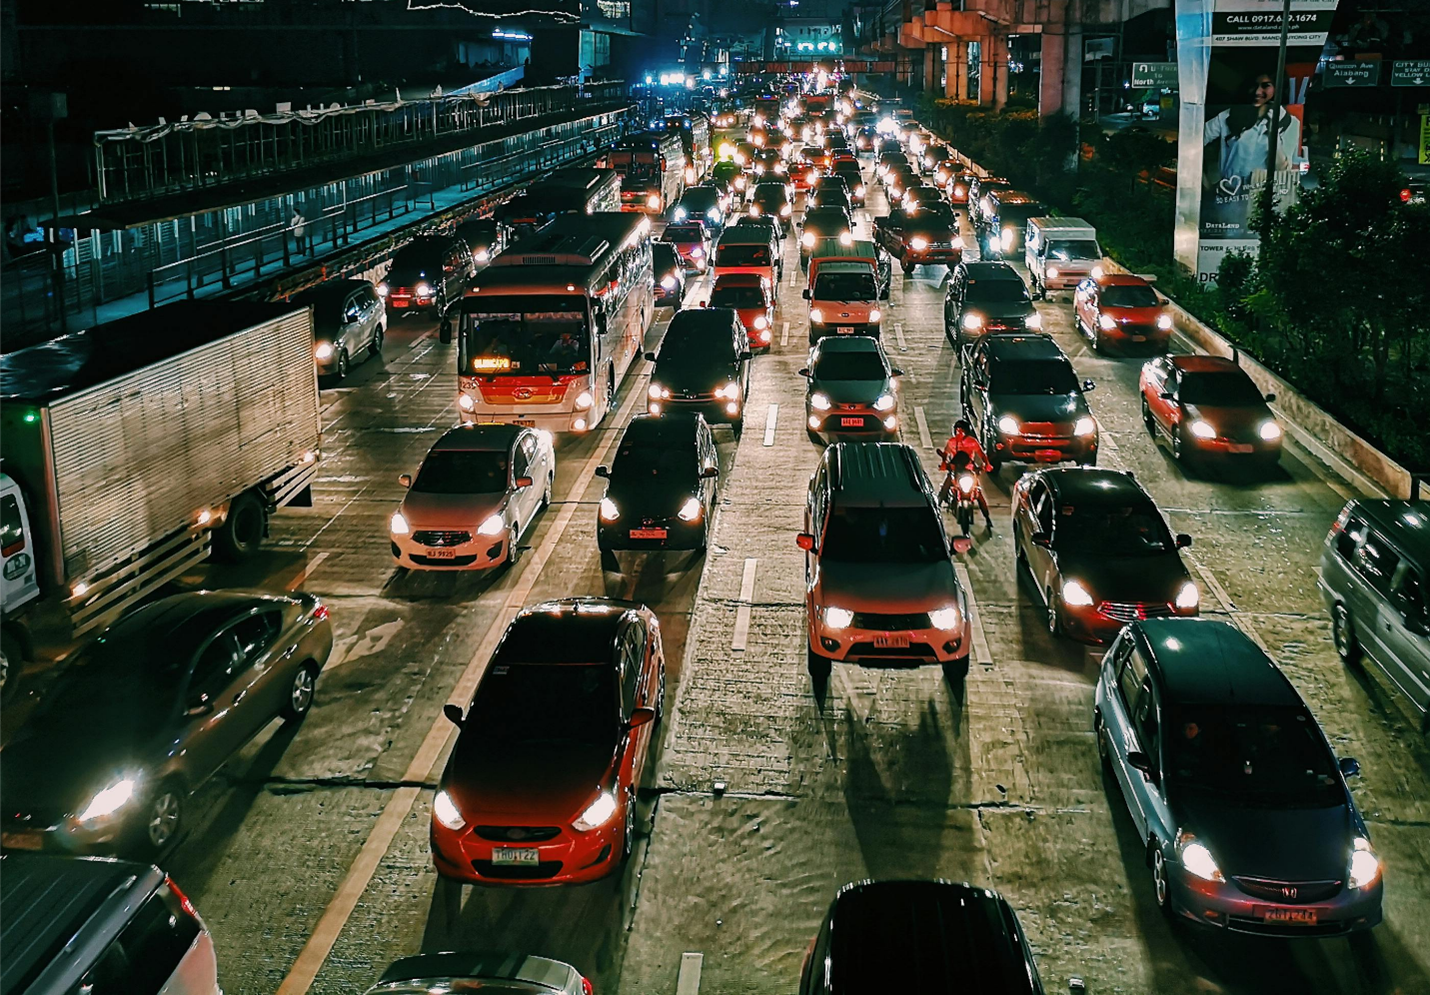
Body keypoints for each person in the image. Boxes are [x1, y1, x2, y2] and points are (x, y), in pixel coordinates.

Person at [1202, 71, 1302, 216]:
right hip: (1228, 197)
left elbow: (1282, 169)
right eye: (1254, 86)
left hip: (1263, 201)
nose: (1257, 91)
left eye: (1265, 86)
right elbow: (1192, 142)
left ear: (1278, 88)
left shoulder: (1289, 123)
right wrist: (1207, 186)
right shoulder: (1229, 116)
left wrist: (1273, 132)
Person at [938, 419, 994, 530]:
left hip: (970, 470)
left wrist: (986, 465)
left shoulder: (973, 442)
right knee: (945, 488)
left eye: (961, 431)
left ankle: (987, 518)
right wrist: (944, 465)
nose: (959, 433)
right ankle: (936, 508)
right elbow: (945, 455)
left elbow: (982, 455)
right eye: (957, 430)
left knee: (978, 494)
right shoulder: (951, 442)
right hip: (956, 470)